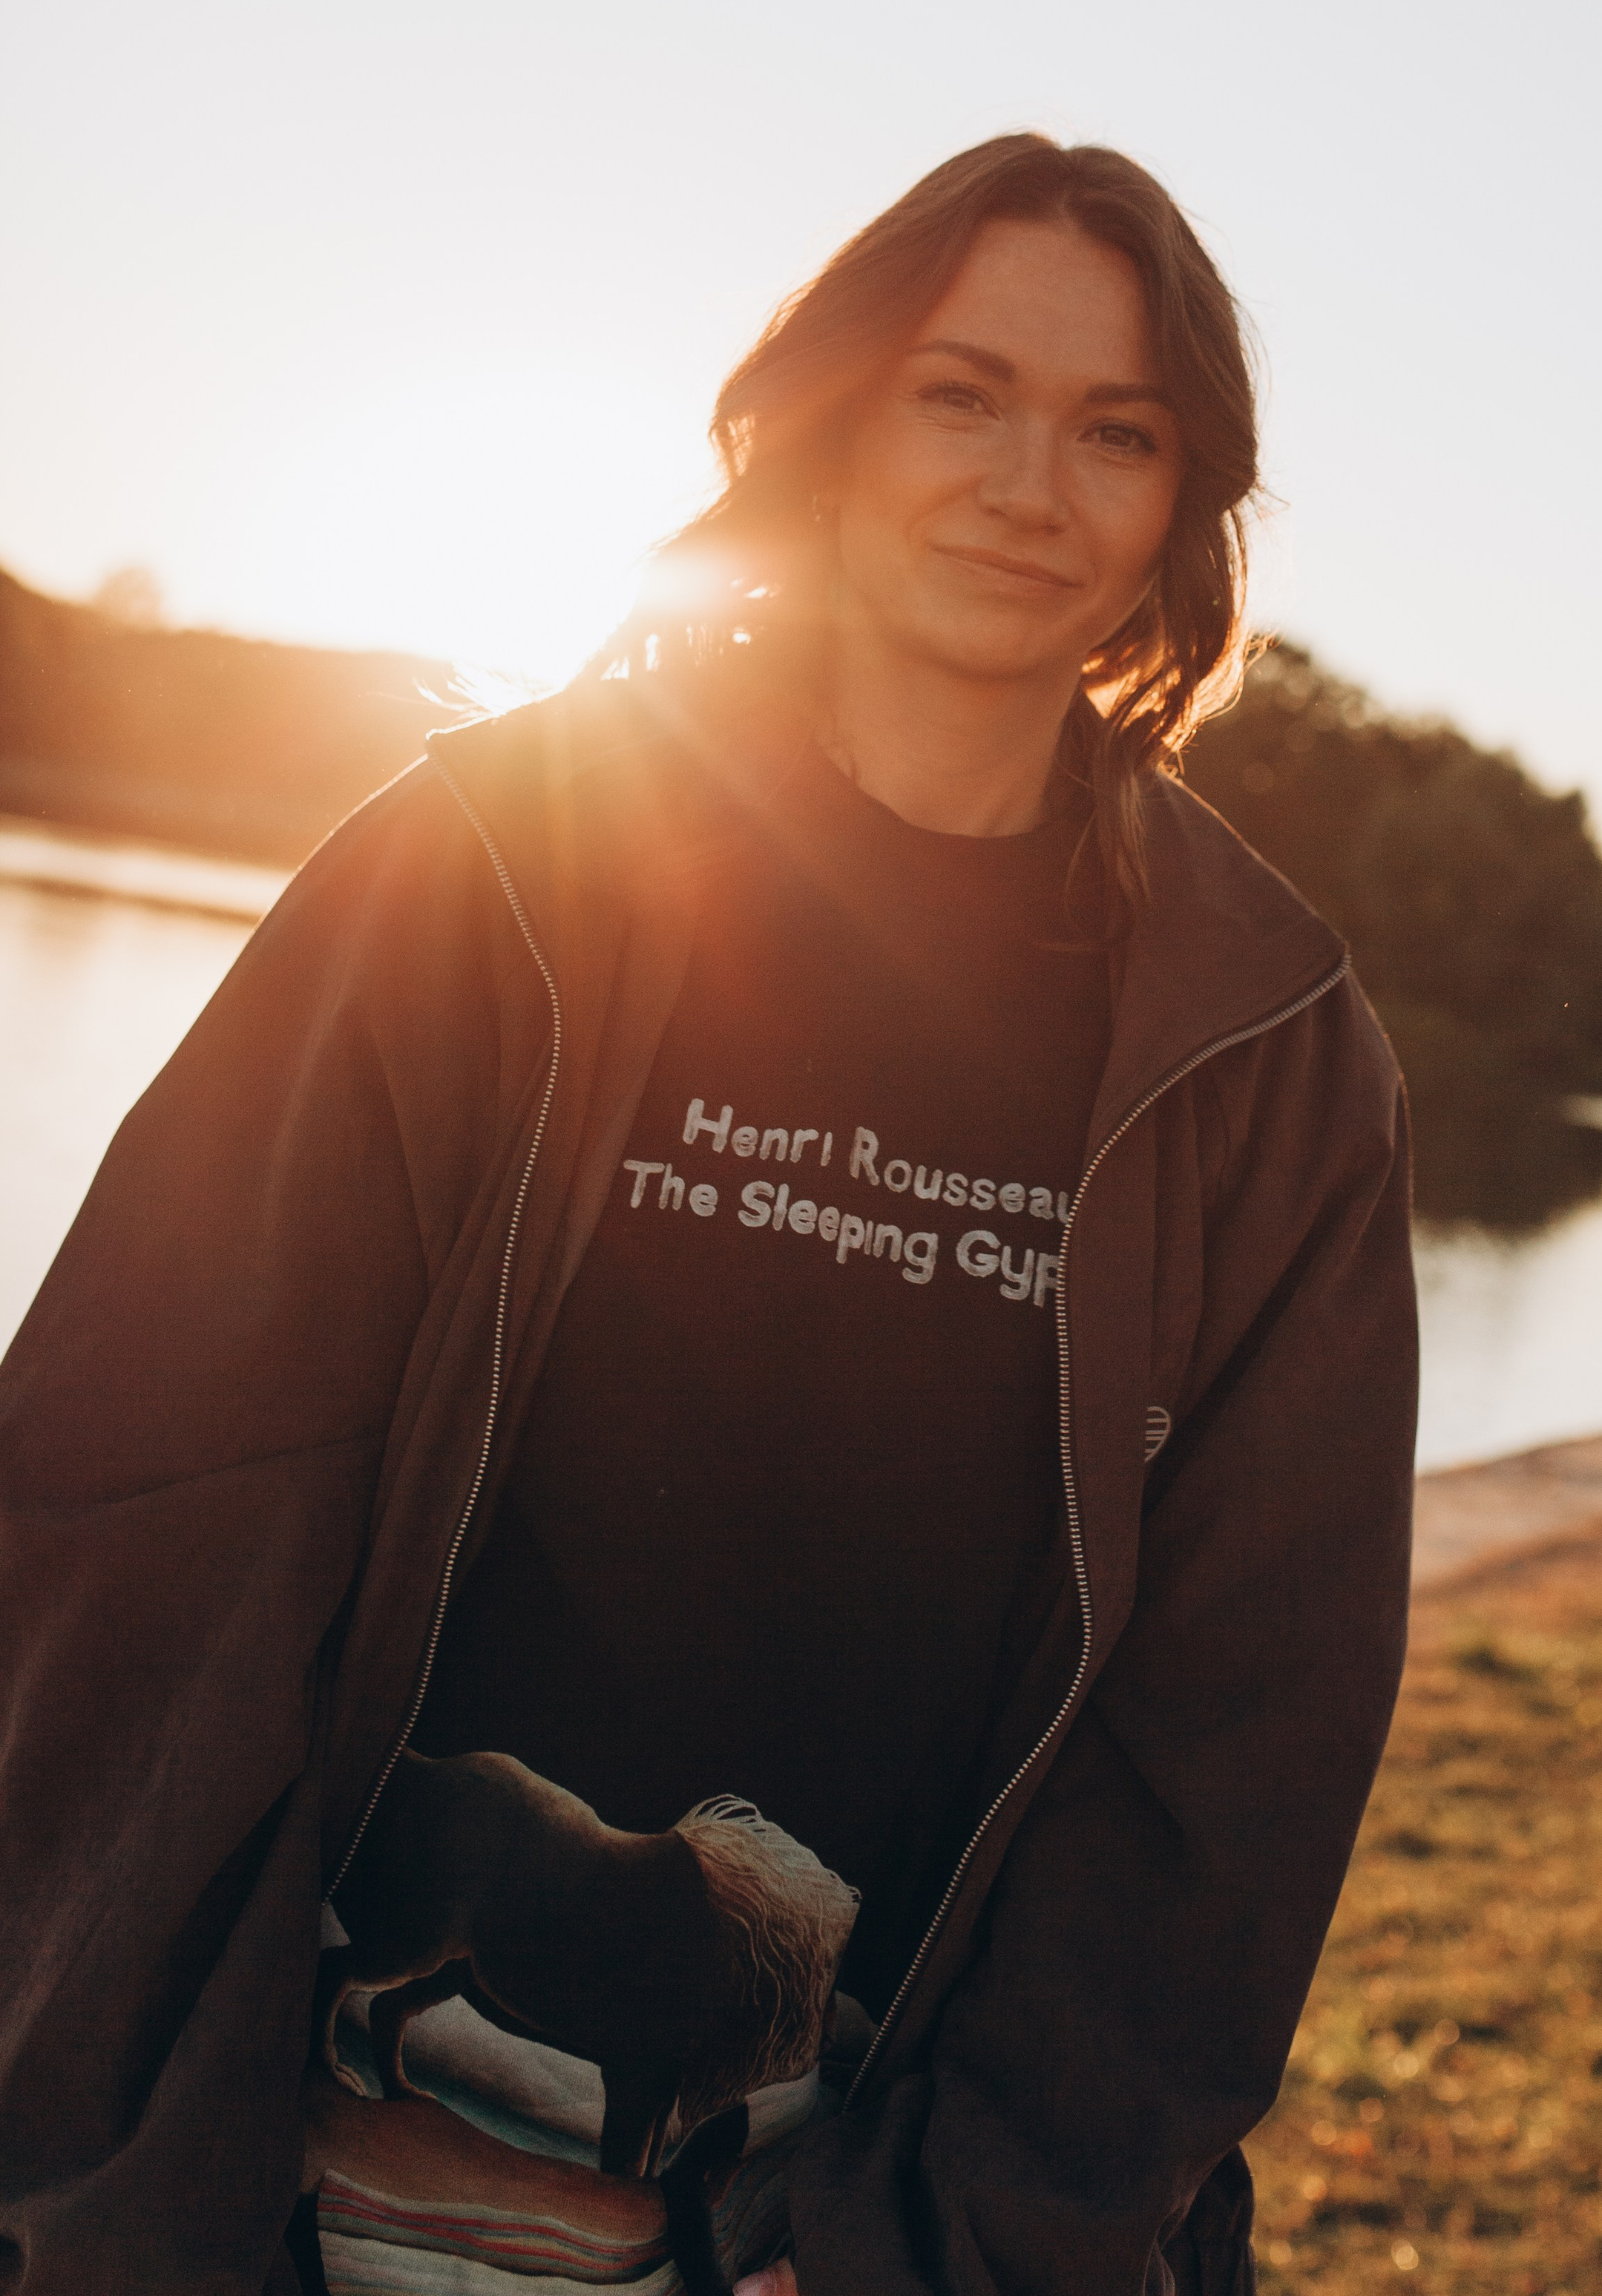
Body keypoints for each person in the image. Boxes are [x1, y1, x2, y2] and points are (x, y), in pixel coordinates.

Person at [0, 135, 1418, 2296]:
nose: (1029, 483)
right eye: (963, 393)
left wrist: (943, 2247)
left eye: (1115, 430)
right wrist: (122, 2146)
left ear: (1177, 513)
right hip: (298, 2183)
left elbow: (1238, 1757)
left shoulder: (1272, 1053)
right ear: (837, 419)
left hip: (842, 2227)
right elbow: (145, 1511)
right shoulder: (493, 869)